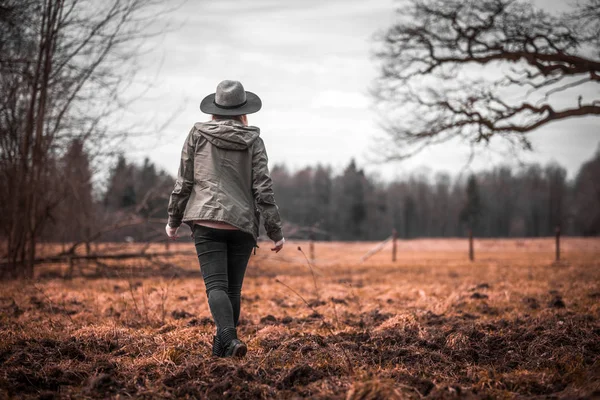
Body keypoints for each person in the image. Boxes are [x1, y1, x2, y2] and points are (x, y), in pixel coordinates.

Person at [165, 80, 285, 358]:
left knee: (216, 286)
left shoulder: (197, 134)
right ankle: (222, 355)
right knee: (233, 289)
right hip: (242, 224)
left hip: (206, 220)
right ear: (244, 111)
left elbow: (184, 180)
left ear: (215, 110)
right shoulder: (254, 140)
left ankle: (229, 340)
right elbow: (263, 188)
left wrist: (174, 218)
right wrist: (275, 230)